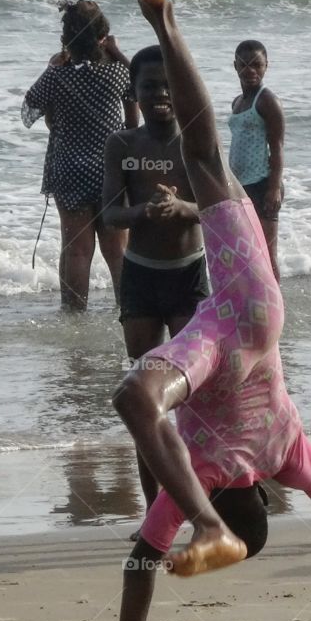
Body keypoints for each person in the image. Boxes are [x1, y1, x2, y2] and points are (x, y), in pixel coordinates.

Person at [112, 0, 311, 621]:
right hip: (232, 324)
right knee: (204, 154)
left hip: (251, 315)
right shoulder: (195, 472)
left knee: (203, 159)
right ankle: (164, 17)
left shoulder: (286, 453)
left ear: (256, 493)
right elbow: (139, 559)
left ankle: (165, 18)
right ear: (243, 494)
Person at [102, 45, 208, 517]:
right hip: (141, 277)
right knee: (147, 402)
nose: (160, 94)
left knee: (196, 399)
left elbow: (221, 206)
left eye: (168, 85)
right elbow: (108, 211)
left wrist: (183, 209)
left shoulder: (198, 140)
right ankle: (154, 510)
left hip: (189, 274)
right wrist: (143, 210)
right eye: (149, 86)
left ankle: (207, 499)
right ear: (135, 93)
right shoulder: (123, 145)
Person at [22, 0, 138, 311]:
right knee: (118, 250)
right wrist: (119, 53)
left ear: (67, 38)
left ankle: (74, 316)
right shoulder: (117, 73)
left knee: (76, 250)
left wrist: (55, 65)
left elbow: (30, 109)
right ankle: (130, 312)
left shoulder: (57, 75)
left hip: (69, 168)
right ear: (104, 35)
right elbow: (138, 106)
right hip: (112, 168)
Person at [228, 40, 285, 281]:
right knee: (245, 251)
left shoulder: (267, 100)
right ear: (235, 66)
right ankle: (253, 305)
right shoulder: (237, 102)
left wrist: (273, 188)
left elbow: (278, 147)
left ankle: (277, 310)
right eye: (244, 64)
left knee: (266, 254)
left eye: (256, 65)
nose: (250, 70)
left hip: (263, 183)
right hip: (241, 185)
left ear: (266, 66)